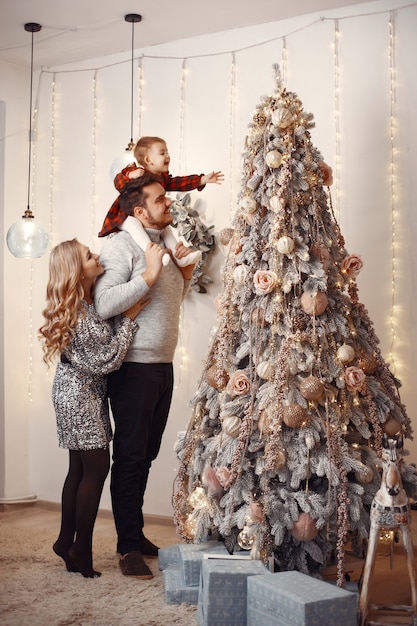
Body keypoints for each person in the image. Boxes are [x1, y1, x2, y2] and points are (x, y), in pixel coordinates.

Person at [94, 172, 196, 579]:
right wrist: (149, 275)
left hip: (162, 365)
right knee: (131, 458)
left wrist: (182, 276)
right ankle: (126, 549)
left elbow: (169, 302)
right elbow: (103, 303)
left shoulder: (163, 247)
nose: (168, 205)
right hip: (132, 368)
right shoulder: (121, 247)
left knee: (148, 455)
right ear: (139, 210)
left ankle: (135, 535)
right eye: (160, 200)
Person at [39, 239, 150, 578]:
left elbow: (100, 351)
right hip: (79, 396)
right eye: (89, 256)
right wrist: (130, 319)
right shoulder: (79, 312)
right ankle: (80, 548)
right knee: (96, 469)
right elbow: (107, 361)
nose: (97, 256)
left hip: (78, 393)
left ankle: (65, 541)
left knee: (79, 470)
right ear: (76, 270)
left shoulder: (85, 304)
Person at [98, 135, 223, 267]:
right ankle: (154, 253)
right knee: (135, 227)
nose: (167, 156)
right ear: (148, 160)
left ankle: (180, 259)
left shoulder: (162, 179)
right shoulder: (138, 172)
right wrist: (130, 175)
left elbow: (179, 183)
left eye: (168, 152)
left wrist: (202, 180)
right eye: (162, 153)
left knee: (165, 229)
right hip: (125, 216)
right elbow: (119, 180)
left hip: (147, 218)